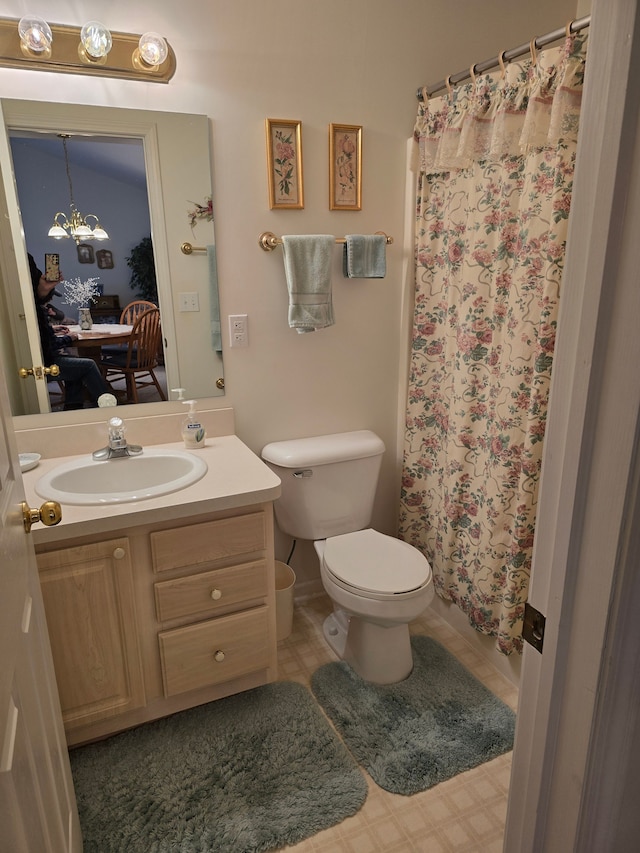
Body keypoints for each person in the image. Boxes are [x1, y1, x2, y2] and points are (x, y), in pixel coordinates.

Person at [28, 253, 109, 410]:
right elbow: (51, 346)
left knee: (76, 366)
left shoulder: (33, 307)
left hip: (44, 359)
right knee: (88, 365)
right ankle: (109, 408)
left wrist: (51, 328)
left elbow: (42, 336)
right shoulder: (36, 310)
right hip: (45, 363)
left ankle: (72, 409)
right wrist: (69, 338)